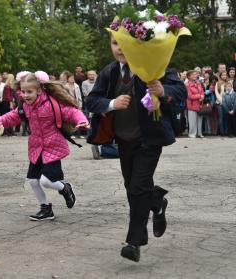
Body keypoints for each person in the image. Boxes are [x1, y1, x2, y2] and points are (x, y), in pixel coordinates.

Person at [86, 35, 186, 262]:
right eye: (114, 43)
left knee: (137, 187)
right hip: (124, 140)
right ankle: (157, 203)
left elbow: (180, 92)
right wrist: (111, 104)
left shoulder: (152, 65)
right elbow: (92, 100)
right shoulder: (109, 72)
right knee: (133, 187)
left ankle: (134, 242)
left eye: (124, 43)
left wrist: (162, 90)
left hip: (149, 139)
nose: (120, 48)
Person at [0, 71, 89, 221]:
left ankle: (65, 188)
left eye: (30, 91)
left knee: (46, 181)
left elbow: (71, 111)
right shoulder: (25, 106)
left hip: (53, 146)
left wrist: (81, 120)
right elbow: (13, 116)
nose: (26, 95)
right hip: (36, 147)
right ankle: (46, 209)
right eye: (23, 91)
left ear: (39, 90)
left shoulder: (51, 104)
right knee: (33, 181)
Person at [186, 70, 205, 138]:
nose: (195, 76)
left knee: (200, 119)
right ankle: (192, 134)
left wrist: (202, 96)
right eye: (193, 74)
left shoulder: (198, 82)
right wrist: (199, 96)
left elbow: (202, 91)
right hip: (192, 104)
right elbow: (189, 96)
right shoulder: (187, 85)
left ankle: (199, 133)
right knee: (192, 121)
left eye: (195, 74)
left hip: (199, 104)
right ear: (189, 76)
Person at [215, 71, 228, 136]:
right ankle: (222, 132)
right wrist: (222, 102)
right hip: (220, 103)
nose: (224, 76)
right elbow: (217, 93)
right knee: (221, 118)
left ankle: (226, 131)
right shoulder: (218, 83)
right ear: (220, 76)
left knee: (226, 118)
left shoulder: (227, 83)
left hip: (227, 104)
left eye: (225, 75)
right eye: (223, 75)